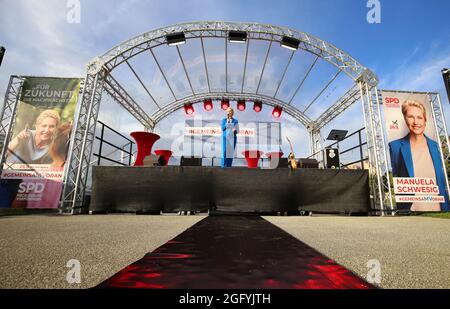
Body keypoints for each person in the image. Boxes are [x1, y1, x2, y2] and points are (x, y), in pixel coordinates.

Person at [389, 100, 449, 211]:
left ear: (425, 121)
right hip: (410, 210)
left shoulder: (436, 147)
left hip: (438, 208)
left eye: (420, 117)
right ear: (405, 119)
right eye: (411, 117)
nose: (416, 122)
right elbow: (396, 173)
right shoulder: (395, 146)